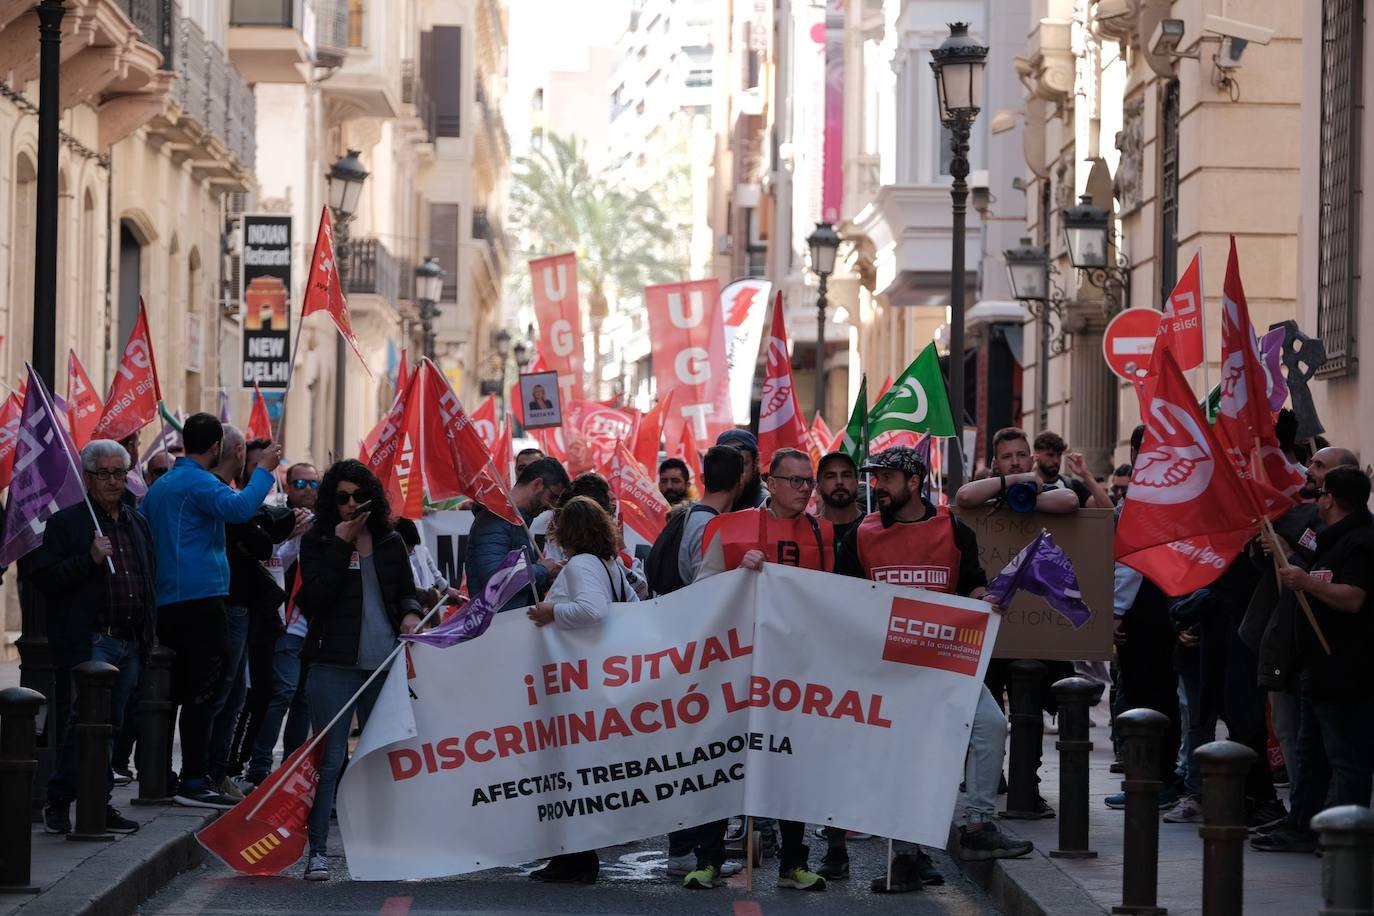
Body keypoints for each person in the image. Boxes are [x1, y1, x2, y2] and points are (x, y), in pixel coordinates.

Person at [830, 446, 1030, 892]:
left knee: (991, 726)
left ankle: (978, 826)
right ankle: (904, 858)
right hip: (891, 670)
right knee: (903, 760)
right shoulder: (860, 536)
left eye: (886, 479)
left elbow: (972, 582)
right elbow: (840, 598)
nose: (877, 486)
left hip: (947, 661)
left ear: (914, 481)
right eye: (876, 479)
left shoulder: (954, 530)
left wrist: (984, 600)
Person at [696, 447, 832, 891]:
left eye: (808, 481)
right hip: (738, 667)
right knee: (725, 761)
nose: (805, 489)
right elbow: (700, 593)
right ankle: (710, 860)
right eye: (795, 481)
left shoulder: (823, 532)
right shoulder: (730, 528)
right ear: (770, 483)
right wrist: (738, 573)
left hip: (794, 669)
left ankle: (794, 863)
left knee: (790, 765)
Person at [141, 412, 281, 809]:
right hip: (200, 600)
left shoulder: (163, 485)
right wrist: (265, 472)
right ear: (217, 447)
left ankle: (162, 774)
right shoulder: (198, 482)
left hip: (168, 599)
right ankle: (194, 779)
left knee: (174, 694)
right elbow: (239, 509)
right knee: (205, 692)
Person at [294, 460, 423, 881]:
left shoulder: (389, 541)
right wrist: (339, 546)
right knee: (330, 762)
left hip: (381, 665)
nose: (350, 505)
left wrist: (409, 613)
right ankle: (318, 853)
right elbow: (312, 600)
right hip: (332, 666)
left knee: (379, 760)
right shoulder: (317, 541)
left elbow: (407, 592)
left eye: (357, 496)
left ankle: (382, 849)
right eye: (341, 498)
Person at [32, 440, 155, 836]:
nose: (113, 482)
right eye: (104, 474)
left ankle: (97, 803)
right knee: (83, 723)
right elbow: (47, 579)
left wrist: (146, 634)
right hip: (92, 640)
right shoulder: (68, 523)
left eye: (119, 473)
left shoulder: (136, 521)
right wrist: (89, 560)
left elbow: (147, 577)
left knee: (112, 726)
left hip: (128, 639)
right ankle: (62, 798)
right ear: (88, 478)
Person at [1252, 465, 1374, 853]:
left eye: (1319, 493)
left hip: (1347, 669)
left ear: (1332, 499)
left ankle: (1347, 838)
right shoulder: (1329, 538)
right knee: (1312, 756)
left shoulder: (1362, 541)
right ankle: (1302, 826)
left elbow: (1353, 597)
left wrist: (1305, 581)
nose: (1315, 501)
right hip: (1317, 668)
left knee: (1347, 757)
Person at [661, 444, 746, 888]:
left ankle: (688, 848)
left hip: (690, 654)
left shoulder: (690, 517)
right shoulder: (709, 525)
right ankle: (685, 849)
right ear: (741, 478)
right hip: (700, 658)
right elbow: (704, 592)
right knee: (695, 755)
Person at [206, 432, 294, 800]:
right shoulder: (218, 493)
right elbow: (252, 531)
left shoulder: (221, 492)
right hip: (227, 602)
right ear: (239, 453)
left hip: (241, 605)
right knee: (223, 693)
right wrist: (264, 473)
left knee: (238, 693)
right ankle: (208, 772)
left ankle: (215, 771)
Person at [242, 462, 319, 787]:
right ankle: (258, 765)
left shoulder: (326, 524)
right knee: (283, 691)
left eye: (314, 484)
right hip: (285, 623)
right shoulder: (274, 515)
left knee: (303, 698)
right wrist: (291, 535)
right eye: (300, 482)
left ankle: (290, 767)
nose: (307, 489)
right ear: (287, 486)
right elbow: (268, 561)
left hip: (315, 626)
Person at [465, 456, 568, 611]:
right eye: (552, 496)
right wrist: (543, 570)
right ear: (538, 484)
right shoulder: (496, 520)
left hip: (512, 623)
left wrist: (550, 574)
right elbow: (496, 580)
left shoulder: (515, 520)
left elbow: (520, 583)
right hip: (500, 625)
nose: (551, 506)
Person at [955, 428, 1080, 513]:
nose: (1015, 463)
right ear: (996, 464)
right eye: (1007, 457)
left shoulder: (1040, 490)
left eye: (1021, 455)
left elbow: (1071, 501)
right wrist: (1016, 478)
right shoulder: (987, 492)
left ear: (1031, 460)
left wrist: (1017, 499)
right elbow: (964, 496)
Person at [1032, 431, 1113, 509]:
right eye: (1050, 455)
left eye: (1059, 455)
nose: (1056, 461)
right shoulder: (1027, 485)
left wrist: (1086, 475)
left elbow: (1108, 511)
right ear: (1036, 454)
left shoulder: (1072, 485)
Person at [816, 451, 862, 542]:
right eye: (830, 476)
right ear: (818, 487)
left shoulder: (874, 529)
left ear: (857, 483)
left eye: (846, 475)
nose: (839, 482)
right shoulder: (809, 531)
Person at [715, 429, 766, 511]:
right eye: (727, 463)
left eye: (741, 463)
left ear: (756, 462)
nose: (733, 470)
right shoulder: (715, 502)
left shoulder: (765, 505)